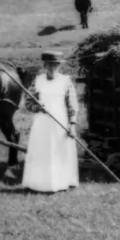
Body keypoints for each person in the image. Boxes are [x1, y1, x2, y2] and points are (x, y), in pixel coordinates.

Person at [21, 51, 80, 193]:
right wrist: (38, 107)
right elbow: (28, 103)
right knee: (41, 152)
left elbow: (72, 105)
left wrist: (71, 125)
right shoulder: (38, 80)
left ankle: (61, 182)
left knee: (60, 152)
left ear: (59, 66)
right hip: (42, 123)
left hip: (60, 122)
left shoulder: (66, 81)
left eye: (54, 65)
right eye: (48, 65)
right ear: (44, 65)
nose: (51, 68)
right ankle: (39, 184)